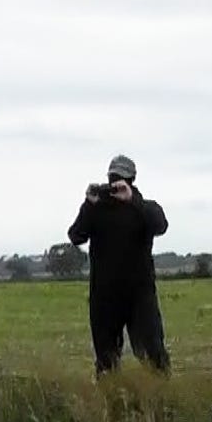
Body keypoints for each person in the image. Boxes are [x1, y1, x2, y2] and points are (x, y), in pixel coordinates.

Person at [66, 154, 172, 376]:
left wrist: (132, 199)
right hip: (104, 296)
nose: (115, 184)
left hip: (139, 295)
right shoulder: (96, 209)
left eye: (121, 180)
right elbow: (76, 236)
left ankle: (161, 400)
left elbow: (161, 225)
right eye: (112, 179)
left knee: (153, 355)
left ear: (131, 180)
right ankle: (112, 403)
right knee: (106, 362)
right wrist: (88, 205)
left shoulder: (144, 208)